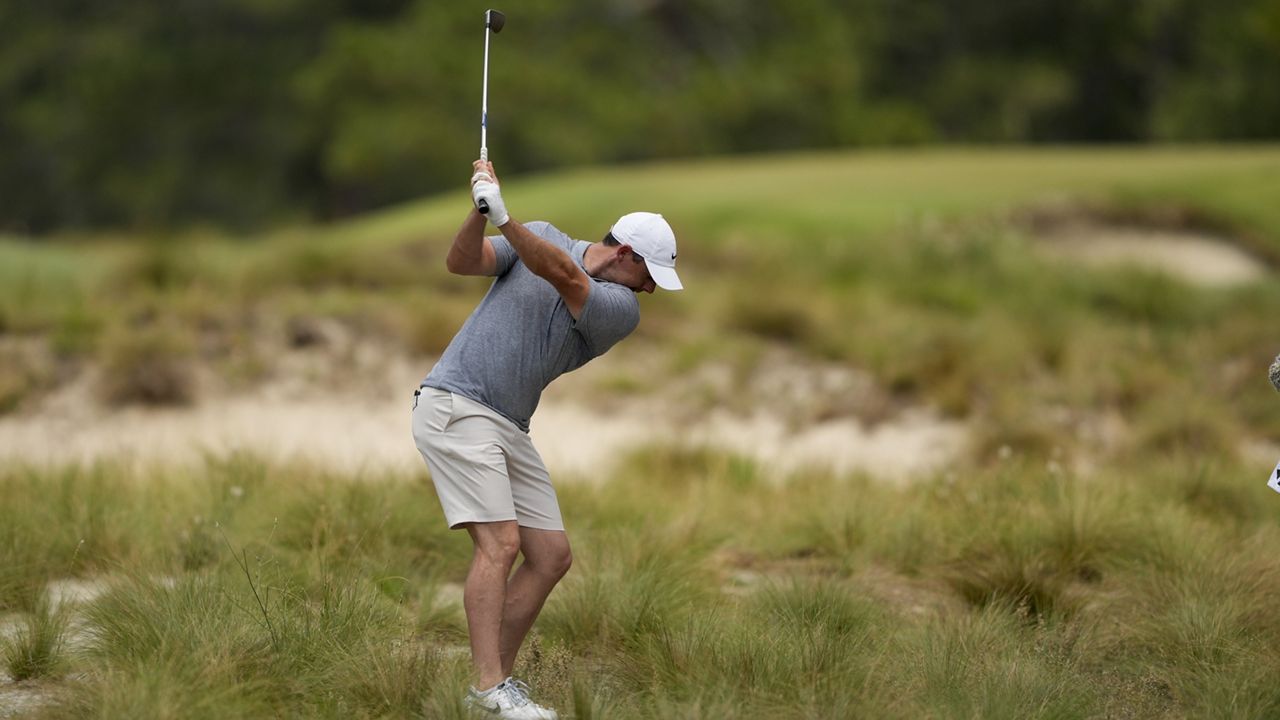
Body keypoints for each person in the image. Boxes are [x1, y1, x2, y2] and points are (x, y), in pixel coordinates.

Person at [411, 159, 683, 719]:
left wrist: (506, 220)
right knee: (502, 545)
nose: (652, 289)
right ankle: (491, 691)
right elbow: (462, 262)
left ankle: (489, 687)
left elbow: (564, 276)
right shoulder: (544, 237)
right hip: (457, 404)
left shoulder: (618, 308)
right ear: (625, 254)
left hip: (508, 423)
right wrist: (480, 209)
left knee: (551, 555)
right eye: (651, 273)